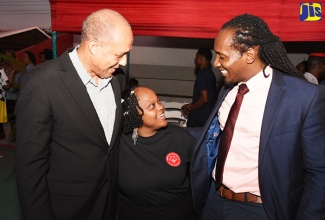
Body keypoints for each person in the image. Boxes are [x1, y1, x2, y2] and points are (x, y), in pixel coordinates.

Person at [191, 14, 325, 220]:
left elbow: (319, 173)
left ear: (250, 55)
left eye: (222, 56)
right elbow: (215, 137)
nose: (216, 63)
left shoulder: (303, 97)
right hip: (214, 200)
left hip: (260, 210)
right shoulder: (228, 90)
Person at [15, 9, 133, 220]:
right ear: (94, 47)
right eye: (119, 54)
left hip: (109, 204)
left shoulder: (117, 80)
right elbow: (30, 169)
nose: (124, 62)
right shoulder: (42, 84)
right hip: (67, 210)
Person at [118, 86, 198, 220]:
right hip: (134, 213)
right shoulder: (120, 143)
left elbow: (202, 171)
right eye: (151, 106)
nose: (161, 107)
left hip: (179, 212)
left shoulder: (179, 137)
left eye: (159, 102)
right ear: (134, 113)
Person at [181, 48, 216, 127]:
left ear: (201, 59)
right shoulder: (211, 74)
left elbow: (204, 98)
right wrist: (190, 104)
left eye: (196, 57)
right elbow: (208, 97)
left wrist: (190, 109)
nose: (195, 60)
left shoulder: (201, 75)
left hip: (198, 119)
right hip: (207, 118)